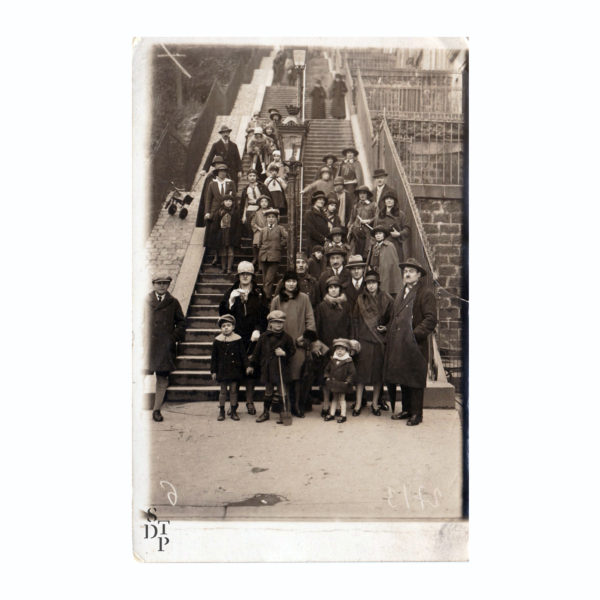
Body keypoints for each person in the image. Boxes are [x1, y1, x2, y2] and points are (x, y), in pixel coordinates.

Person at [384, 258, 437, 426]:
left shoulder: (425, 293)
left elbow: (430, 319)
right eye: (405, 270)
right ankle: (407, 409)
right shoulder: (401, 292)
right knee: (404, 376)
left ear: (419, 275)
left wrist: (414, 336)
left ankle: (417, 414)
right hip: (400, 344)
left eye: (411, 271)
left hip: (415, 345)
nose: (407, 273)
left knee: (415, 379)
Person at [219, 261, 268, 416]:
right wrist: (231, 302)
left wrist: (259, 329)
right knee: (235, 370)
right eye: (242, 274)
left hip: (253, 337)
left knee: (251, 370)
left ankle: (250, 401)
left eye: (248, 274)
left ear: (252, 276)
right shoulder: (231, 292)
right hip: (235, 337)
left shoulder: (259, 292)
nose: (245, 276)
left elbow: (264, 314)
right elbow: (223, 315)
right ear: (238, 276)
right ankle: (233, 404)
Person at [270, 271, 316, 417]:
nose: (291, 284)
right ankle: (285, 406)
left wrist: (305, 337)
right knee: (284, 375)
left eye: (294, 281)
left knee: (298, 375)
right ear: (284, 283)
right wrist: (274, 341)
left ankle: (297, 405)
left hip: (298, 343)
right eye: (288, 281)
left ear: (297, 283)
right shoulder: (277, 300)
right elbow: (270, 321)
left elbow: (310, 320)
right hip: (281, 342)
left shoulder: (304, 298)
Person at [144, 275, 186, 422]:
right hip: (146, 345)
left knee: (162, 378)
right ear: (153, 284)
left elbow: (181, 323)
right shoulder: (144, 301)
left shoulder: (173, 302)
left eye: (165, 283)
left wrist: (172, 338)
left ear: (168, 285)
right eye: (159, 283)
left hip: (164, 346)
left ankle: (156, 410)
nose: (162, 286)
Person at [351, 269, 393, 416]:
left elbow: (393, 319)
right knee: (361, 376)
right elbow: (355, 321)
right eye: (368, 283)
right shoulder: (360, 299)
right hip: (363, 341)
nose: (371, 286)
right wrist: (354, 340)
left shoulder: (386, 298)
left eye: (373, 283)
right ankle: (357, 404)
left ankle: (375, 404)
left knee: (377, 376)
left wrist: (386, 328)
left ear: (378, 284)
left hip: (379, 341)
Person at [249, 310, 296, 423]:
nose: (278, 324)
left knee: (282, 392)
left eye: (280, 322)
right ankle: (265, 413)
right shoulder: (264, 336)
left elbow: (292, 351)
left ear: (283, 323)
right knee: (268, 391)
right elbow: (256, 352)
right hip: (268, 368)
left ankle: (283, 413)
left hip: (281, 368)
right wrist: (251, 365)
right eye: (275, 322)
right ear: (270, 323)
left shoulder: (287, 337)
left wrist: (284, 353)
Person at [210, 314, 249, 422]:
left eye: (228, 325)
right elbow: (214, 358)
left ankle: (233, 410)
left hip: (235, 369)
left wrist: (247, 366)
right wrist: (213, 371)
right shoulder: (217, 340)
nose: (226, 328)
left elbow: (243, 355)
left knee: (233, 390)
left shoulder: (238, 339)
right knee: (223, 391)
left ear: (233, 327)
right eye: (223, 326)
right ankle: (221, 411)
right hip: (222, 370)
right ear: (220, 328)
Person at [200, 163, 237, 266]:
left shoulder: (231, 183)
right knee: (215, 234)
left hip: (227, 212)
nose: (222, 173)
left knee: (226, 235)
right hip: (215, 212)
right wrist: (207, 212)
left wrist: (233, 211)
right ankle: (216, 256)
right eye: (220, 172)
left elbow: (234, 198)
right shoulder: (212, 184)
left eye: (224, 171)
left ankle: (225, 261)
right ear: (217, 173)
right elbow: (208, 199)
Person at [323, 339, 356, 423]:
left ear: (346, 350)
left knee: (342, 399)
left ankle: (343, 415)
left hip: (342, 383)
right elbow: (327, 369)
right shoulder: (333, 360)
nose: (339, 351)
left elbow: (352, 373)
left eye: (342, 349)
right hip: (334, 383)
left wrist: (348, 381)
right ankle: (332, 413)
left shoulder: (348, 361)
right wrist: (327, 377)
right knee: (334, 399)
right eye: (338, 349)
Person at [257, 208, 287, 300]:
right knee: (264, 279)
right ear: (266, 218)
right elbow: (259, 243)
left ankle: (265, 298)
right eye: (269, 217)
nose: (271, 219)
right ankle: (267, 297)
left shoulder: (280, 228)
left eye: (273, 217)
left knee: (269, 279)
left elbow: (288, 238)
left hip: (274, 257)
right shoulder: (263, 230)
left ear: (277, 218)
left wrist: (280, 244)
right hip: (263, 257)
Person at [366, 224, 403, 296]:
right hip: (376, 274)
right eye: (376, 234)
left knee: (385, 292)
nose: (378, 235)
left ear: (384, 235)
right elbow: (371, 260)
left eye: (380, 233)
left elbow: (393, 264)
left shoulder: (389, 246)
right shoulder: (374, 246)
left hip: (386, 274)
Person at [374, 191, 410, 264]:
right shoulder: (380, 215)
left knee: (396, 267)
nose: (389, 200)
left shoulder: (400, 214)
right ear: (384, 201)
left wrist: (399, 234)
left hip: (395, 246)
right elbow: (374, 231)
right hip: (382, 246)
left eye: (391, 199)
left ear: (395, 201)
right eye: (387, 199)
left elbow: (407, 229)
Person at [215, 193, 242, 274]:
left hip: (231, 233)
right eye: (226, 201)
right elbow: (216, 224)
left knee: (230, 251)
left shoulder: (235, 212)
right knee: (223, 251)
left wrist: (237, 235)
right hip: (222, 233)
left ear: (233, 202)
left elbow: (238, 225)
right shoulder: (219, 211)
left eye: (230, 201)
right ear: (223, 202)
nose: (228, 202)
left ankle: (229, 268)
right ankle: (223, 268)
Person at [348, 185, 376, 258]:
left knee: (366, 252)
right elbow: (352, 218)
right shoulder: (356, 206)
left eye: (364, 193)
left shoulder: (373, 205)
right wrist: (350, 226)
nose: (362, 195)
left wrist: (369, 221)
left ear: (368, 195)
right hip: (356, 232)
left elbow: (377, 217)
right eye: (360, 193)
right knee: (354, 252)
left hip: (367, 233)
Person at [250, 195, 272, 268]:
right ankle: (259, 265)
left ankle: (267, 265)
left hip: (269, 230)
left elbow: (275, 222)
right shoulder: (256, 213)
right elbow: (253, 223)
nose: (264, 203)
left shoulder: (271, 212)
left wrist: (268, 228)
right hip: (259, 230)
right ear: (259, 203)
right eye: (262, 201)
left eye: (266, 201)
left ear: (268, 203)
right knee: (257, 245)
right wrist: (259, 228)